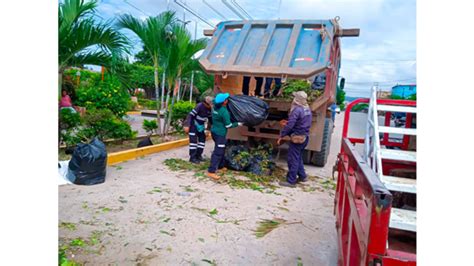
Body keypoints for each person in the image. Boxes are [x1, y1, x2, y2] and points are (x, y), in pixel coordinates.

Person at [277, 91, 313, 188]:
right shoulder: (307, 109)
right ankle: (302, 176)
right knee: (298, 157)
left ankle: (291, 181)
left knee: (292, 159)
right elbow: (301, 122)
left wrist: (282, 135)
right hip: (305, 137)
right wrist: (289, 123)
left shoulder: (296, 110)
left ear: (296, 99)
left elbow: (290, 126)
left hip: (297, 138)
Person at [206, 93, 242, 180]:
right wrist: (238, 123)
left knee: (222, 149)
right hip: (220, 134)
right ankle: (211, 171)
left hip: (214, 131)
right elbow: (228, 125)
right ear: (224, 102)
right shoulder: (223, 112)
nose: (228, 100)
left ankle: (220, 166)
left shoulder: (214, 106)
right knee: (218, 152)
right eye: (226, 99)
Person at [184, 96, 213, 164]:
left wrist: (208, 129)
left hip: (201, 126)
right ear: (206, 103)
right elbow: (190, 115)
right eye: (211, 104)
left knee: (202, 141)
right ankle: (192, 157)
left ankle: (198, 155)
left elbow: (210, 120)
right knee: (193, 143)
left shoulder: (210, 109)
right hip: (193, 126)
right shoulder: (199, 106)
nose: (212, 106)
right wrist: (187, 125)